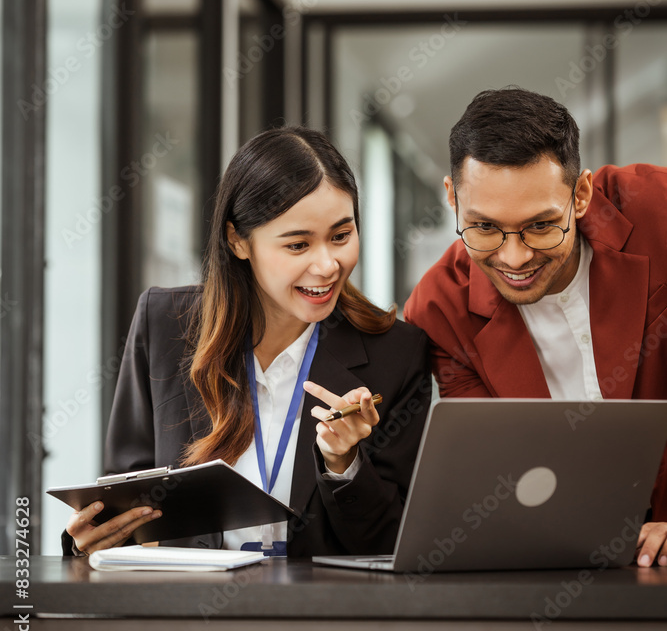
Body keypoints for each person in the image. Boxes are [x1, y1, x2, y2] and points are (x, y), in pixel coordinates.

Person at [65, 125, 431, 558]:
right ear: (238, 240)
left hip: (324, 618)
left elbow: (397, 546)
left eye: (341, 236)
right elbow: (126, 500)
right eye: (298, 245)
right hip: (189, 617)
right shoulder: (164, 325)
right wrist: (90, 541)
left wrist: (343, 465)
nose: (328, 264)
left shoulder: (397, 353)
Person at [404, 87, 667, 566]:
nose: (515, 257)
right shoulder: (439, 309)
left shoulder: (658, 208)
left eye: (542, 226)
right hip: (566, 563)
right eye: (483, 227)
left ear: (581, 194)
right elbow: (503, 470)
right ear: (452, 198)